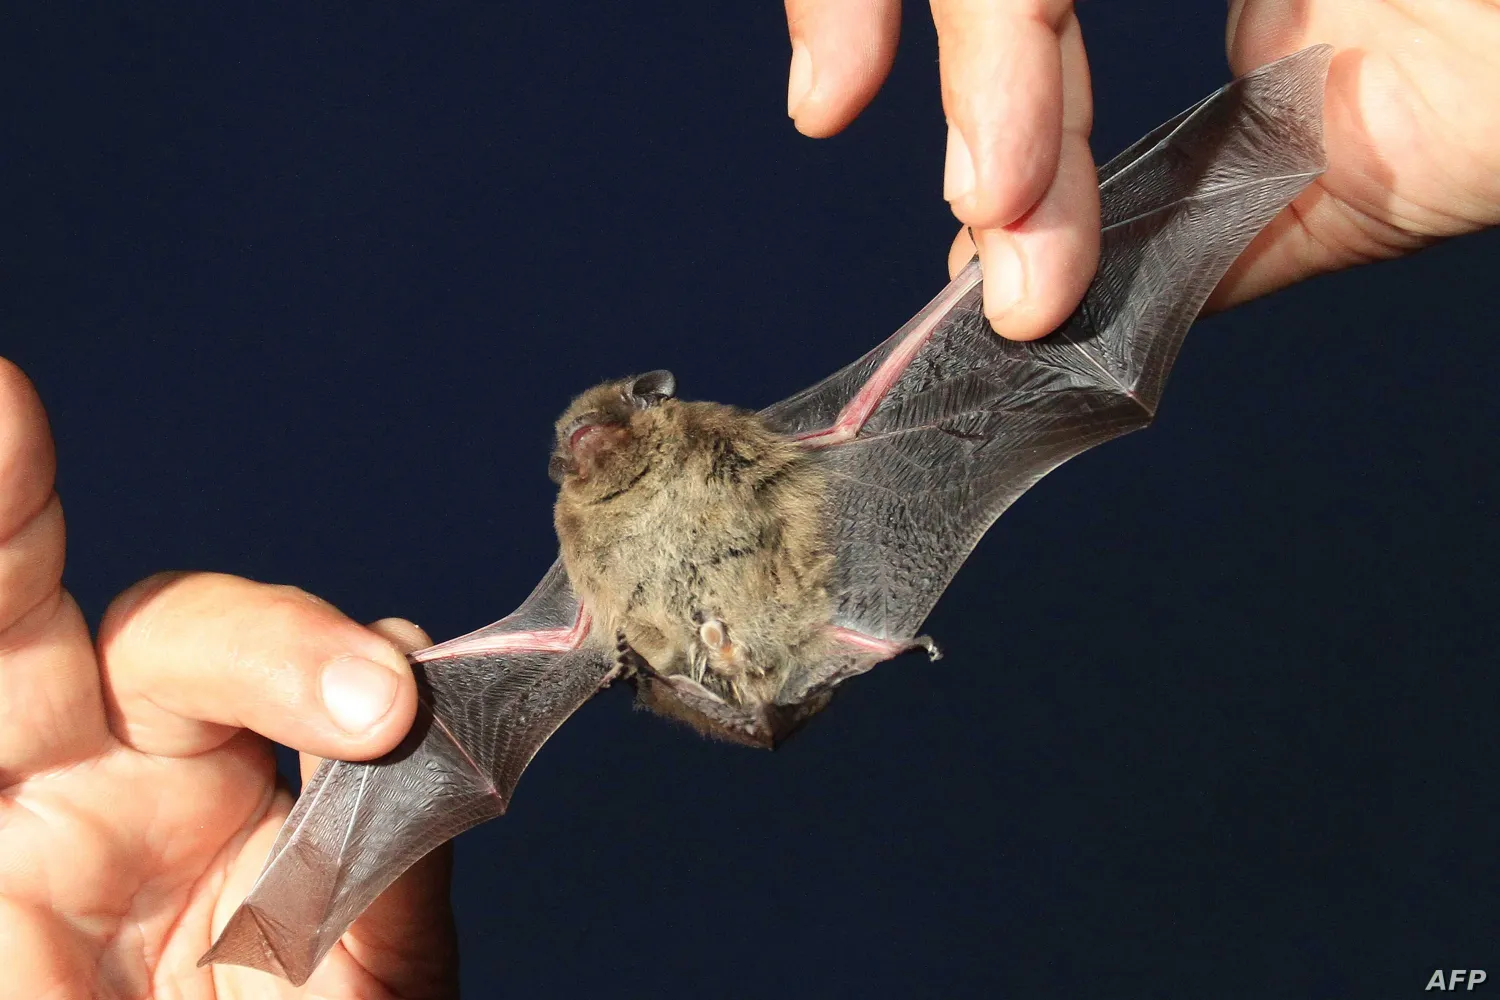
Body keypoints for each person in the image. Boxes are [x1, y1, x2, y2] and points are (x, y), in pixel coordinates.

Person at [1, 2, 1495, 995]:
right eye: (580, 454)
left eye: (611, 431)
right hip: (713, 660)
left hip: (812, 608)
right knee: (397, 700)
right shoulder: (561, 609)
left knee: (977, 328)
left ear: (654, 423)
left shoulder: (790, 441)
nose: (595, 452)